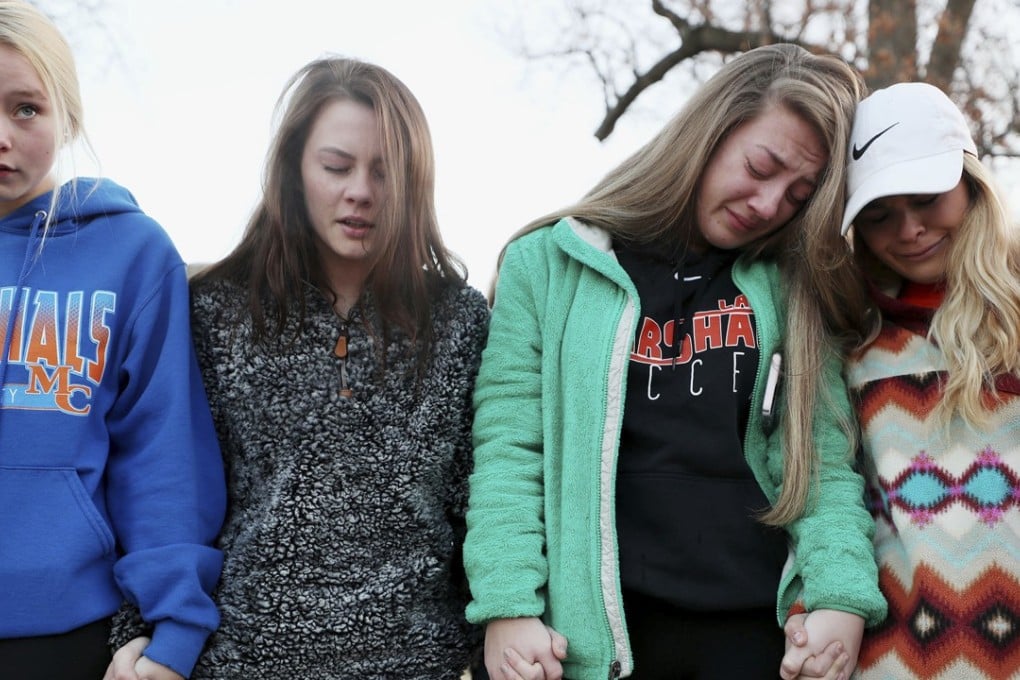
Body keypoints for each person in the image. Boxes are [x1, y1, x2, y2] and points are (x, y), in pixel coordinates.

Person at [463, 42, 886, 680]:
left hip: (757, 643)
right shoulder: (546, 265)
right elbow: (509, 451)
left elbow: (824, 462)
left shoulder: (795, 290)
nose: (770, 204)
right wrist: (506, 605)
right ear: (709, 132)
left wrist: (841, 597)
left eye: (798, 194)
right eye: (760, 166)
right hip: (590, 649)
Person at [107, 57, 490, 679]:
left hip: (419, 662)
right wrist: (139, 629)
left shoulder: (460, 321)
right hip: (239, 660)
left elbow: (481, 496)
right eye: (336, 166)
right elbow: (159, 481)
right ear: (294, 169)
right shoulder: (211, 309)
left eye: (384, 172)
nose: (360, 191)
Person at [0, 1, 226, 679]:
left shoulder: (129, 251)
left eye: (26, 109)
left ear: (67, 115)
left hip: (65, 630)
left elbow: (162, 453)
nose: (2, 136)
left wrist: (176, 625)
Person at [834, 81, 1020, 678]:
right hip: (898, 660)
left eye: (927, 197)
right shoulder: (853, 345)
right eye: (879, 215)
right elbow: (835, 505)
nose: (909, 229)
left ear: (970, 182)